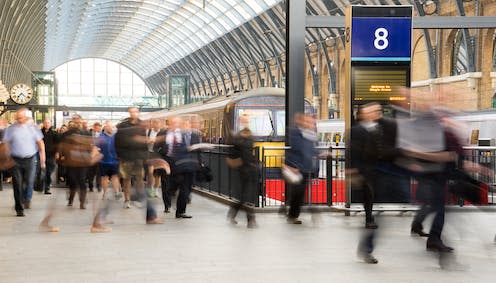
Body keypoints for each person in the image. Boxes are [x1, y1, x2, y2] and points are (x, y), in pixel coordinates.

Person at [115, 106, 162, 224]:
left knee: (140, 178)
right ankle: (127, 199)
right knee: (127, 179)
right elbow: (118, 141)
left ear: (138, 113)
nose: (134, 113)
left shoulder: (142, 125)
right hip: (126, 157)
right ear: (129, 112)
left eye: (136, 111)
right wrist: (119, 156)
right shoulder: (123, 125)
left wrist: (146, 153)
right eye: (132, 111)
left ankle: (139, 197)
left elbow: (145, 141)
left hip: (139, 157)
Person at [2, 107, 46, 216]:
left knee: (29, 181)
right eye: (18, 117)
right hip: (16, 160)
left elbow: (41, 144)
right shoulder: (11, 129)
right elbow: (6, 144)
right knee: (17, 184)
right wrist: (6, 157)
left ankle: (26, 198)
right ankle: (19, 208)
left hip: (30, 159)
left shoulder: (33, 128)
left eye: (22, 117)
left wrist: (42, 159)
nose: (20, 119)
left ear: (26, 117)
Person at [284, 113, 318, 225]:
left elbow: (310, 150)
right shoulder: (296, 132)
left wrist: (321, 153)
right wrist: (292, 165)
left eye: (311, 122)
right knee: (298, 193)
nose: (310, 124)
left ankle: (291, 213)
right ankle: (292, 215)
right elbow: (297, 149)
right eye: (308, 121)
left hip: (305, 167)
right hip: (297, 167)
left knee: (299, 193)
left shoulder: (309, 135)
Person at [227, 114, 258, 228]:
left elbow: (250, 152)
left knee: (248, 195)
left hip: (251, 169)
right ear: (240, 122)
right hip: (242, 170)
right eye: (243, 120)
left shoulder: (250, 135)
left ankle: (245, 218)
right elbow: (232, 153)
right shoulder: (237, 137)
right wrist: (235, 161)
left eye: (247, 120)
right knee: (245, 196)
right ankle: (249, 219)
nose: (245, 122)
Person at [41, 119, 58, 195]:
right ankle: (43, 186)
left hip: (51, 155)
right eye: (45, 123)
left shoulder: (54, 133)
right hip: (41, 155)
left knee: (48, 172)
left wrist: (57, 152)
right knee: (42, 171)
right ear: (43, 124)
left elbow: (57, 144)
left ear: (50, 124)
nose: (47, 124)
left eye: (48, 123)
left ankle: (47, 187)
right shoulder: (39, 132)